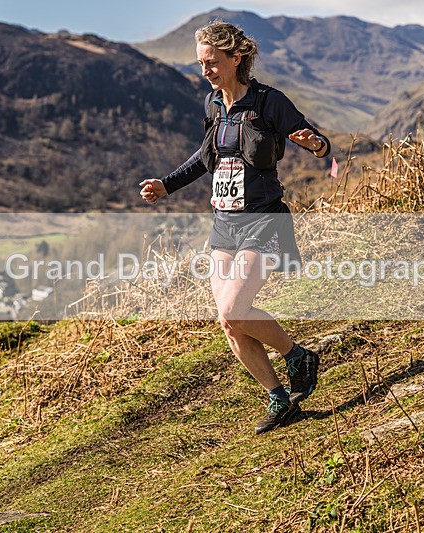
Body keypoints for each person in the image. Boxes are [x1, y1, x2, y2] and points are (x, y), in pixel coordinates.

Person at [139, 21, 331, 434]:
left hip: (263, 219)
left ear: (235, 58)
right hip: (223, 224)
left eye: (211, 62)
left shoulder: (268, 101)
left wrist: (314, 144)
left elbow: (318, 139)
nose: (205, 70)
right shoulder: (213, 104)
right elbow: (205, 155)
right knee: (228, 322)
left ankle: (298, 356)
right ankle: (279, 398)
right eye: (201, 63)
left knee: (233, 308)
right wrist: (166, 184)